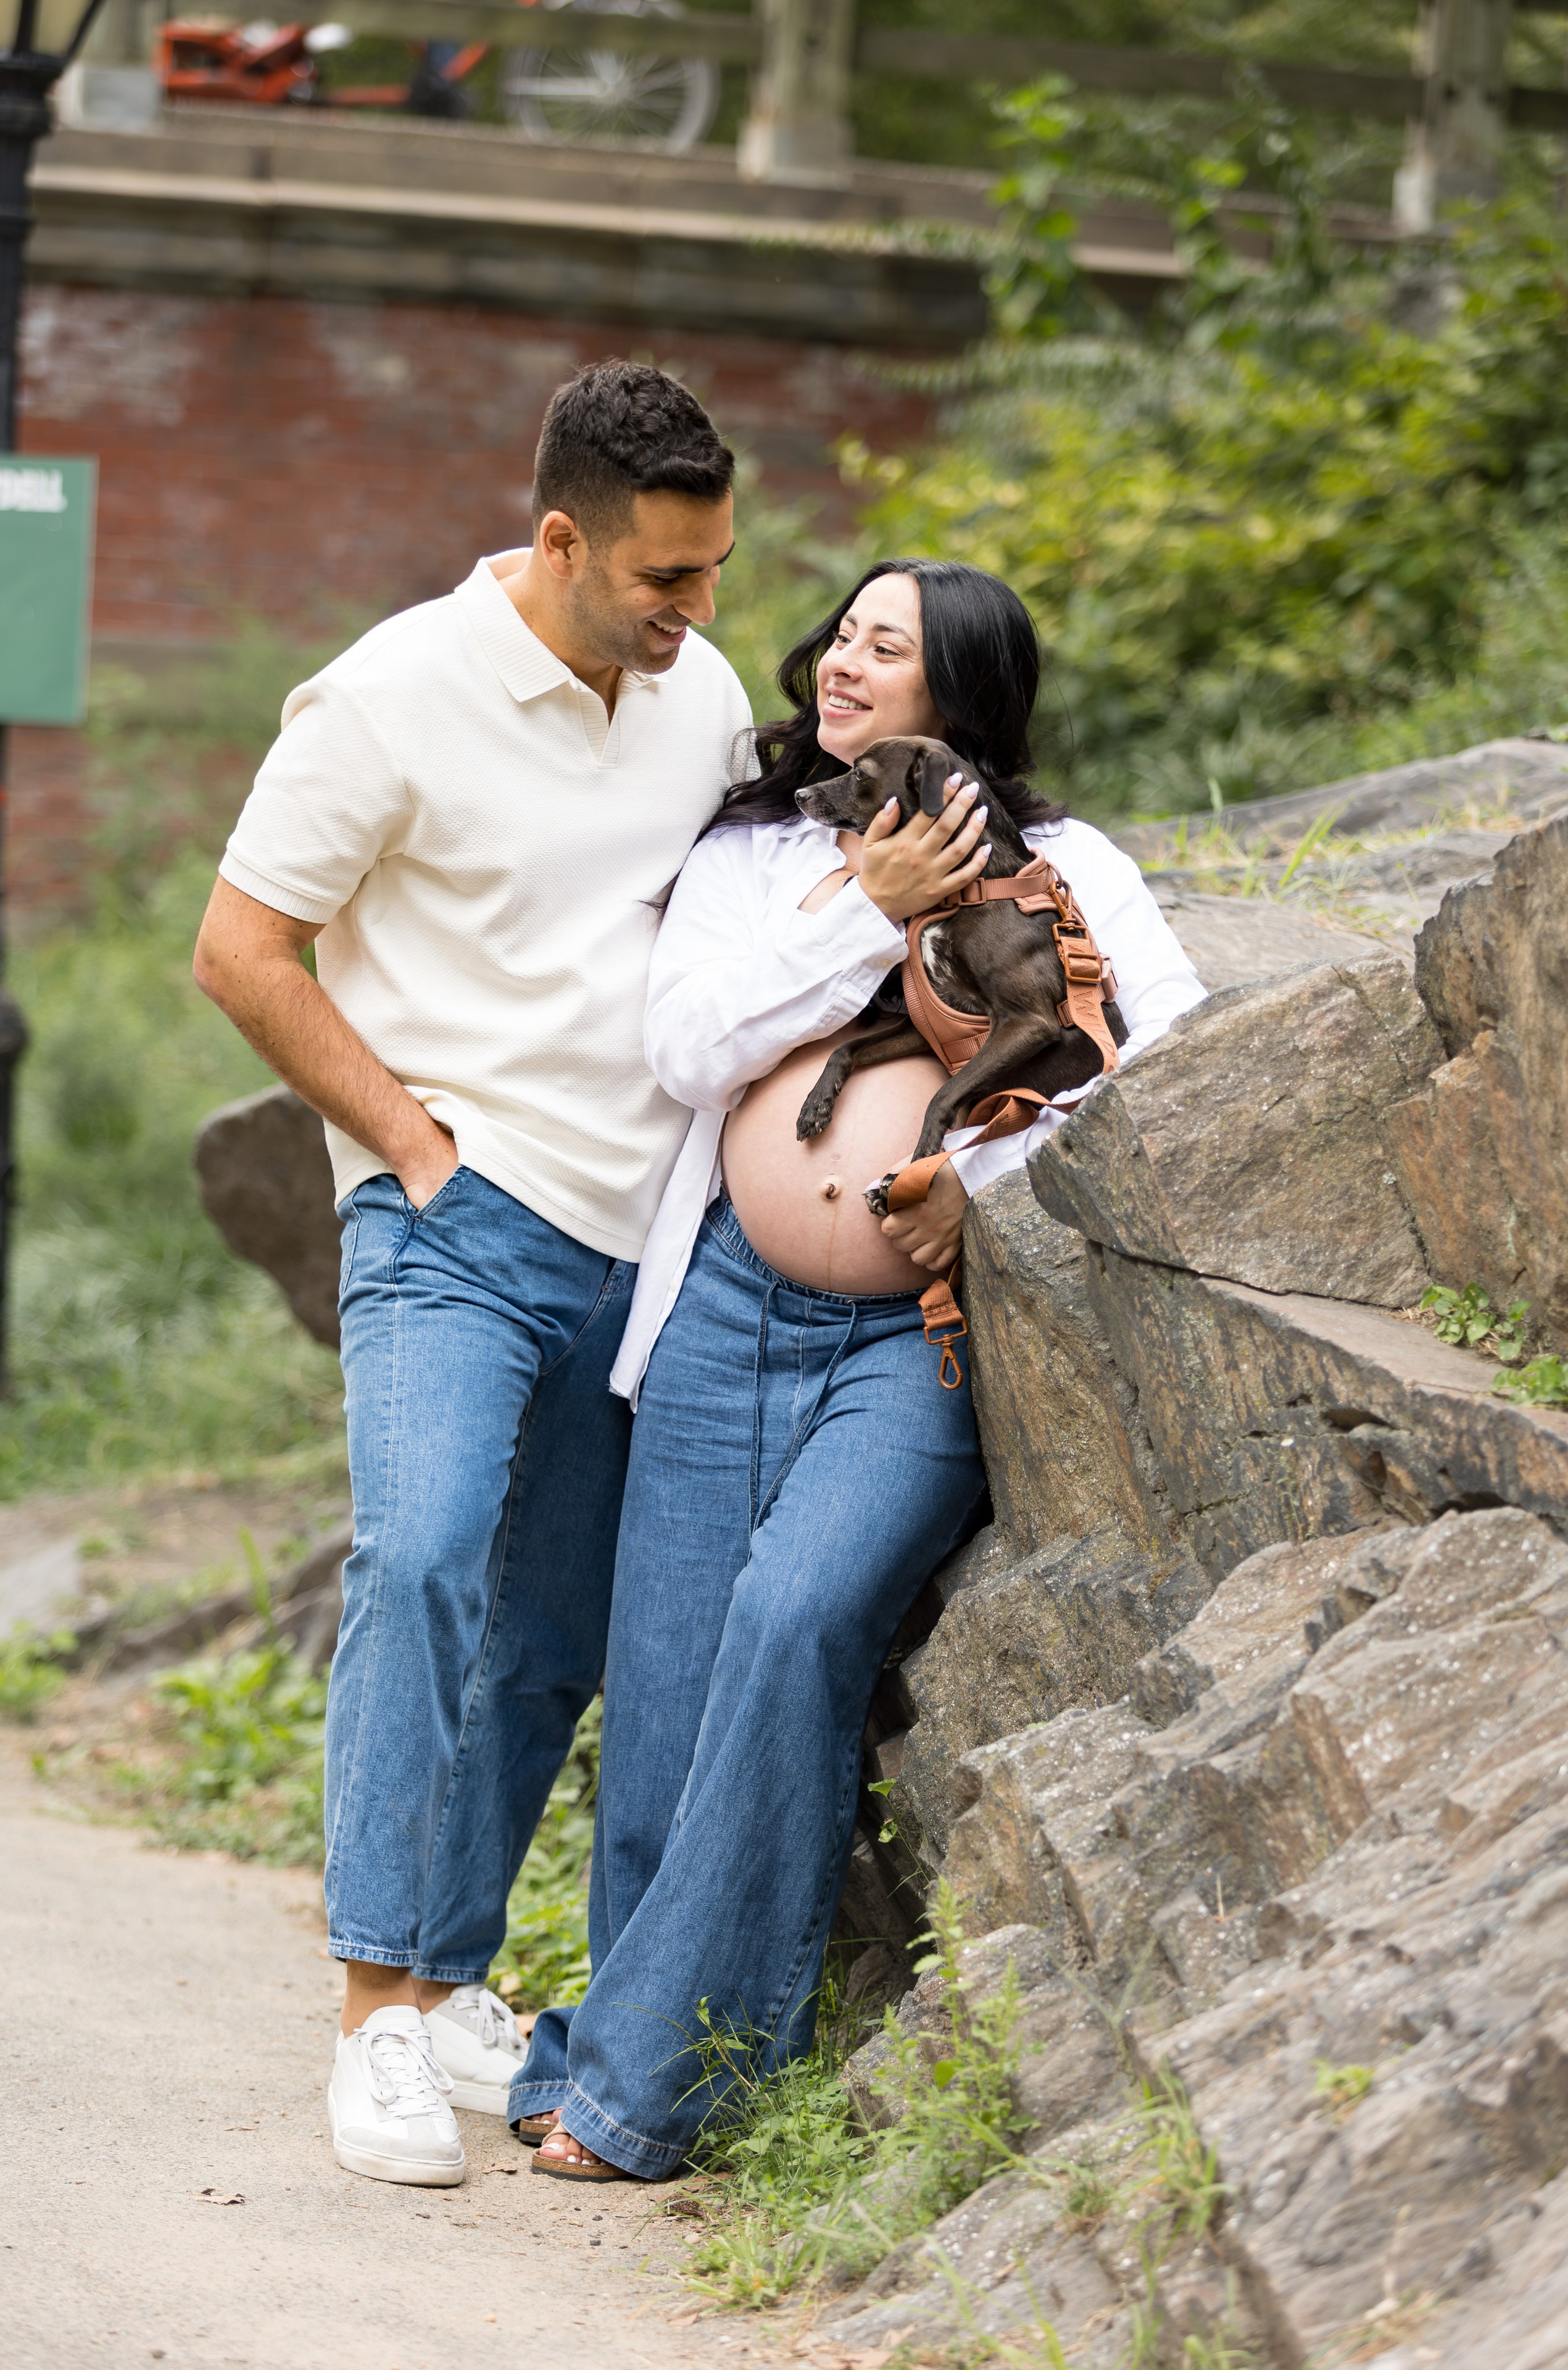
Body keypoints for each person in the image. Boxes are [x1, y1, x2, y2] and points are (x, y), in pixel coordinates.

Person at [508, 556, 1206, 2178]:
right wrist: (868, 909)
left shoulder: (1071, 865)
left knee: (797, 1618)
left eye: (886, 647)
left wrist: (988, 1181)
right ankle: (637, 2050)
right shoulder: (756, 855)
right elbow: (690, 1049)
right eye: (842, 633)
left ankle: (634, 2091)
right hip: (723, 1312)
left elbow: (1160, 1051)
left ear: (959, 689)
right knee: (664, 1699)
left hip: (919, 1340)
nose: (841, 660)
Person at [193, 361, 751, 2188]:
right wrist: (412, 1148)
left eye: (716, 571)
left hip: (642, 1240)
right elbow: (242, 948)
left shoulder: (699, 693)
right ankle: (372, 2011)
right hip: (456, 1218)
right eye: (665, 577)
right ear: (562, 539)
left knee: (550, 1636)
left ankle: (445, 1980)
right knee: (423, 1557)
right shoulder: (385, 698)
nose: (699, 611)